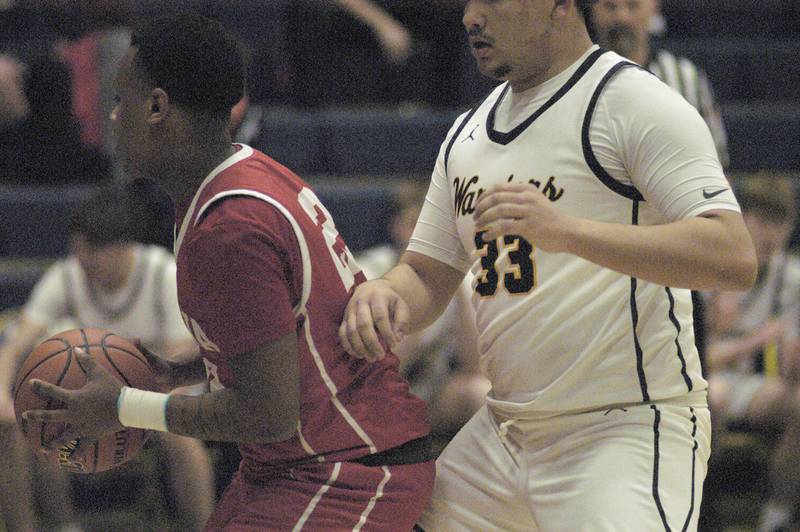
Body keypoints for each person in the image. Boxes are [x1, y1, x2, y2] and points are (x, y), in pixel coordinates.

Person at [339, 0, 757, 530]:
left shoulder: (633, 101)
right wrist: (385, 295)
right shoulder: (468, 130)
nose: (471, 17)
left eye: (491, 2)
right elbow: (426, 274)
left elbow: (732, 256)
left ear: (559, 7)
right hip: (504, 430)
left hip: (621, 429)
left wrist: (566, 232)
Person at [23, 13, 434, 531]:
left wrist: (125, 406)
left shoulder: (230, 226)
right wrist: (181, 372)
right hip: (298, 464)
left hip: (347, 468)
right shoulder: (242, 172)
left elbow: (268, 414)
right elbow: (287, 331)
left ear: (156, 107)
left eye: (120, 99)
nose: (110, 117)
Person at [0, 185, 215, 532]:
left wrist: (127, 390)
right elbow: (16, 342)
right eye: (78, 249)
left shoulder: (162, 272)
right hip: (93, 396)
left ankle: (203, 524)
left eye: (92, 250)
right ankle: (62, 524)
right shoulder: (68, 275)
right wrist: (1, 393)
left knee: (180, 436)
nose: (83, 259)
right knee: (34, 420)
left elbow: (180, 353)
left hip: (158, 387)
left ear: (122, 246)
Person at [356, 182, 490, 443]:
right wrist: (421, 315)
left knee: (482, 393)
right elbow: (381, 367)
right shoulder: (370, 269)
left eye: (430, 227)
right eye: (414, 224)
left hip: (429, 391)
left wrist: (461, 289)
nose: (424, 236)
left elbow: (477, 367)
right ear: (396, 226)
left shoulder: (461, 274)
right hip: (372, 394)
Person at [705, 174, 800, 532]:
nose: (770, 235)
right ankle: (704, 507)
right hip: (706, 378)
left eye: (780, 224)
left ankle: (778, 513)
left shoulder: (790, 277)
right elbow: (700, 360)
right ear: (741, 219)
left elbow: (787, 370)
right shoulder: (706, 266)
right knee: (708, 399)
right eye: (762, 221)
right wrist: (755, 340)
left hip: (752, 384)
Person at [590, 0, 730, 168]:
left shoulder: (685, 77)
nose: (621, 17)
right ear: (592, 9)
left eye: (632, 6)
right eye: (610, 6)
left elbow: (716, 163)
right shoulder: (577, 76)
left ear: (653, 7)